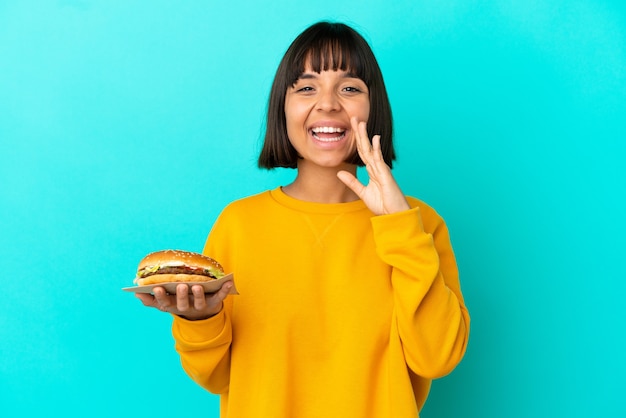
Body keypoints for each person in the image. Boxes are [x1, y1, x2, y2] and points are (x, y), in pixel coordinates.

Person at [136, 21, 470, 418]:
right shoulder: (240, 223)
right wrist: (201, 320)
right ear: (283, 106)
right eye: (307, 87)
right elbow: (217, 378)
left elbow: (437, 358)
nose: (328, 103)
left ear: (373, 107)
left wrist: (399, 226)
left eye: (350, 88)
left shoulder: (418, 224)